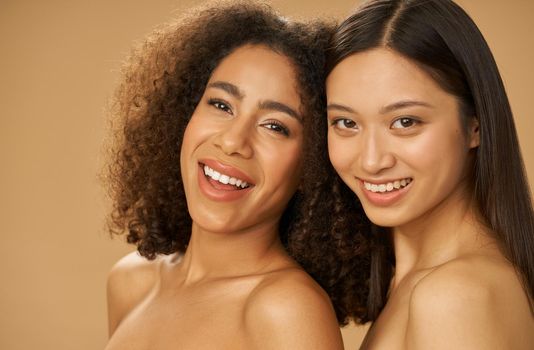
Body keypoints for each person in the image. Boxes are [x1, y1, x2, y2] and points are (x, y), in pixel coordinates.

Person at [103, 1, 347, 349]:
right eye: (221, 105)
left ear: (313, 165)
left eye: (275, 126)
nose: (233, 142)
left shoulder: (287, 310)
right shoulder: (130, 281)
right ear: (184, 115)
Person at [321, 0, 534, 348]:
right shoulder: (417, 281)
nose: (372, 160)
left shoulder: (457, 296)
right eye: (346, 123)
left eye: (405, 122)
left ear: (474, 124)